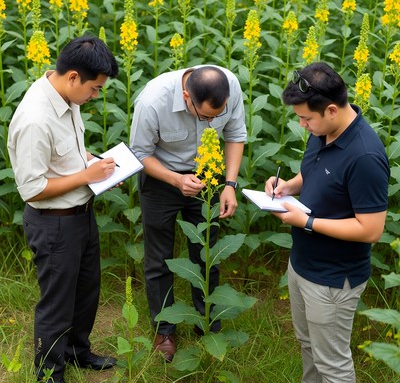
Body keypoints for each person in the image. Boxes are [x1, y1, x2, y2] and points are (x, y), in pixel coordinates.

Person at [265, 62, 389, 383]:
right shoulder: (323, 131)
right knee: (308, 346)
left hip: (333, 280)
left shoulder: (365, 157)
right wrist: (288, 186)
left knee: (332, 364)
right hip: (302, 265)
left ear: (331, 110)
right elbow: (313, 174)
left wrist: (307, 222)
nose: (302, 125)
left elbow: (371, 230)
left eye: (306, 119)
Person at [8, 36, 119, 383]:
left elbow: (67, 154)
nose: (96, 96)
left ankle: (76, 352)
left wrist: (97, 167)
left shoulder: (66, 97)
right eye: (95, 89)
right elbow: (33, 189)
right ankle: (49, 373)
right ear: (73, 77)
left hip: (81, 215)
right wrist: (87, 175)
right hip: (53, 223)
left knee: (86, 292)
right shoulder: (34, 119)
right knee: (56, 303)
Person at [130, 65, 247, 361]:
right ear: (185, 96)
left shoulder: (228, 86)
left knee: (207, 252)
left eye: (215, 116)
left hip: (207, 176)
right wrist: (176, 179)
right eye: (205, 115)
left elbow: (235, 135)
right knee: (159, 259)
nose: (211, 123)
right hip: (161, 177)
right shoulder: (153, 101)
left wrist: (229, 185)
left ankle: (207, 321)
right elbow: (140, 154)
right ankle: (164, 329)